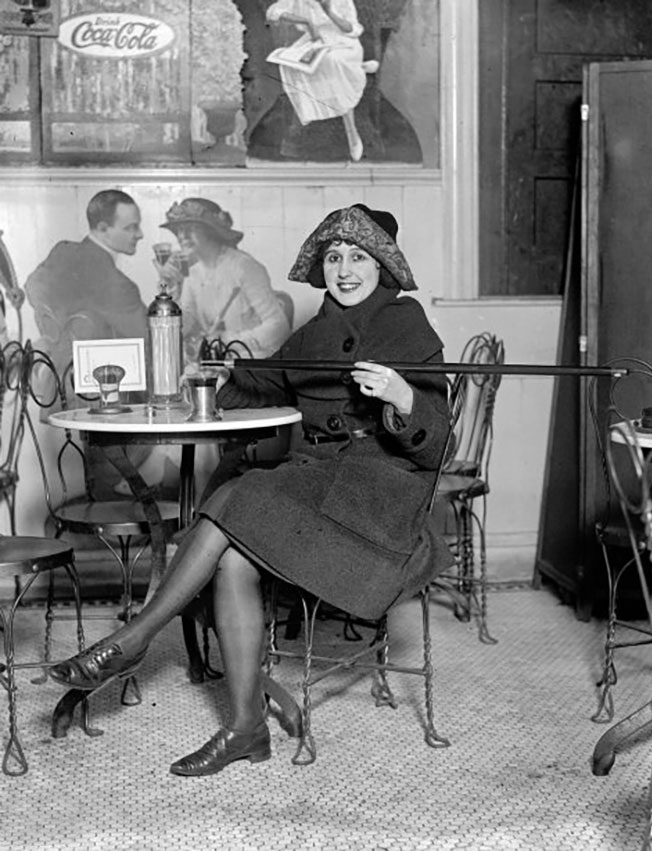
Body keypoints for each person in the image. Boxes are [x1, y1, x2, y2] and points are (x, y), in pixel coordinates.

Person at [49, 203, 454, 777]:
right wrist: (220, 375)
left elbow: (437, 447)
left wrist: (403, 397)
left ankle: (134, 638)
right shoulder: (315, 331)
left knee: (231, 503)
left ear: (382, 267)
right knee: (232, 560)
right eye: (334, 257)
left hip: (379, 501)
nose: (344, 269)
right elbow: (264, 381)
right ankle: (245, 729)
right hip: (318, 486)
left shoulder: (406, 323)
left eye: (358, 258)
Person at [24, 188, 148, 404]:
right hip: (101, 399)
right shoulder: (117, 286)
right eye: (131, 227)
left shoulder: (63, 252)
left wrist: (54, 334)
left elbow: (32, 286)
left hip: (56, 386)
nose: (140, 234)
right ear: (103, 229)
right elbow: (150, 340)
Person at [155, 197, 292, 367]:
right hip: (215, 366)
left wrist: (228, 341)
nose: (182, 236)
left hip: (252, 366)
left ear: (210, 230)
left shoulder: (243, 266)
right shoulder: (192, 274)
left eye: (190, 228)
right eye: (179, 230)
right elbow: (182, 329)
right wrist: (168, 291)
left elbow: (278, 327)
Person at [265, 0, 377, 162]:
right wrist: (306, 22)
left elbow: (352, 29)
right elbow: (273, 11)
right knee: (292, 66)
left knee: (333, 62)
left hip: (344, 43)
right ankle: (357, 70)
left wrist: (329, 12)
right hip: (314, 40)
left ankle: (351, 132)